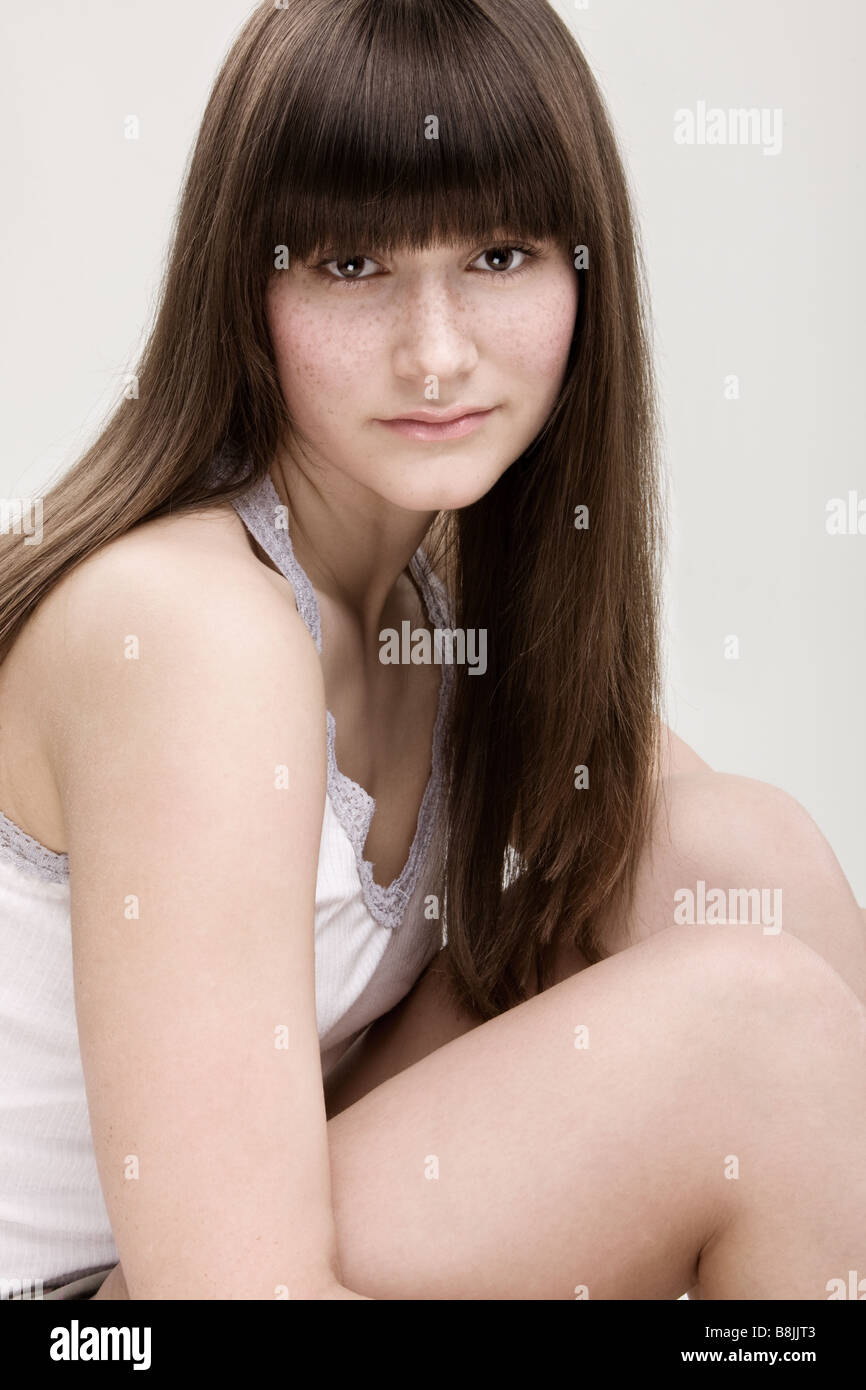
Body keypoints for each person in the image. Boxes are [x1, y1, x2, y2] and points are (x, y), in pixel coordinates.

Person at [1, 0, 864, 1302]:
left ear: (583, 273)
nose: (436, 350)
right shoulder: (192, 632)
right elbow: (223, 1295)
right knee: (762, 1042)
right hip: (105, 1314)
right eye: (351, 266)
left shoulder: (430, 601)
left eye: (500, 255)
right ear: (247, 288)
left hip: (213, 1238)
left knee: (737, 860)